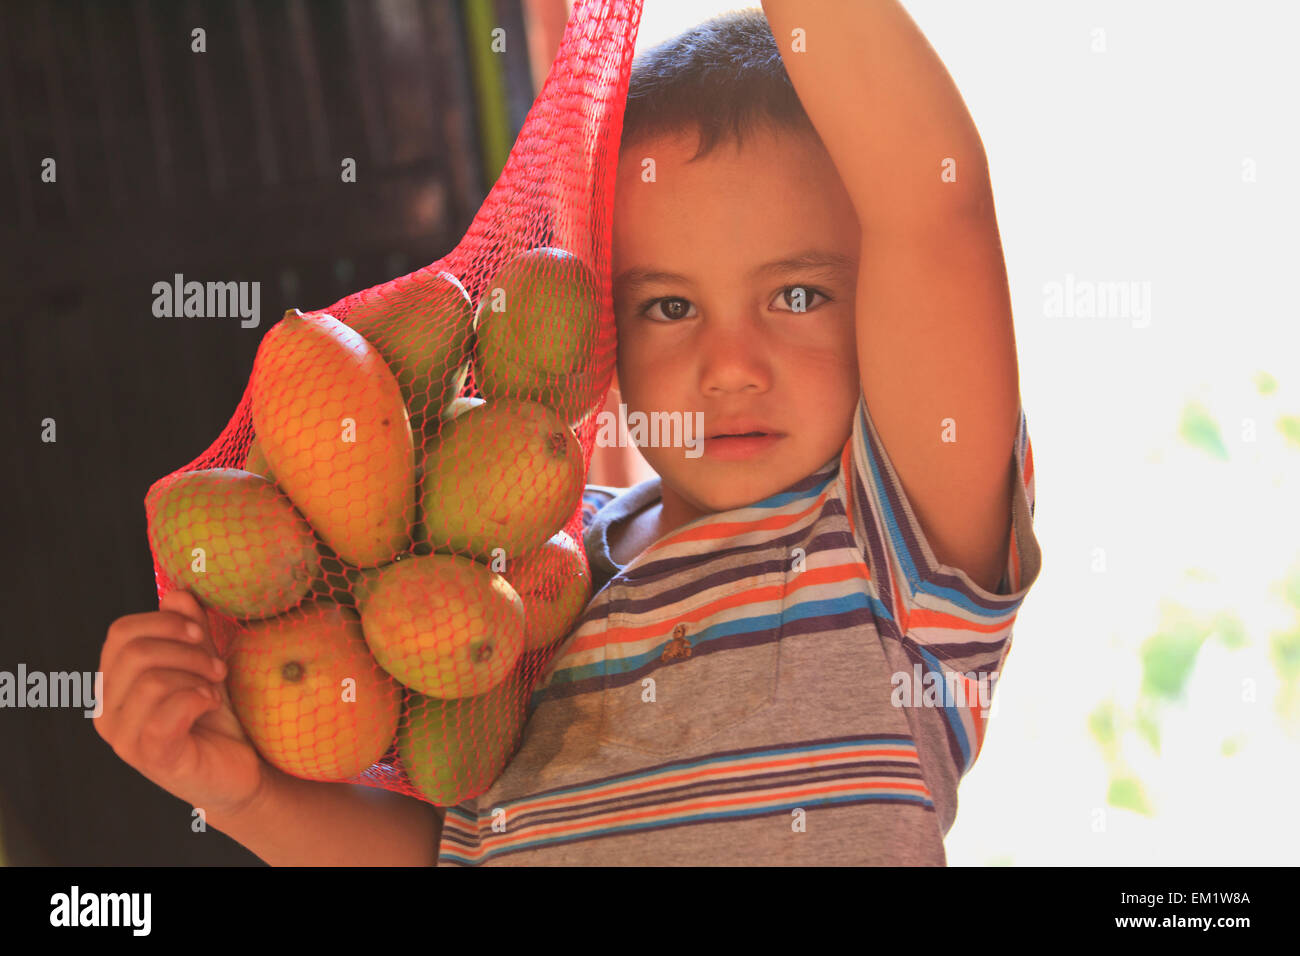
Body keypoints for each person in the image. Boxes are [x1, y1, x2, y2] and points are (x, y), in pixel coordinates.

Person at [95, 1, 1042, 866]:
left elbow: (932, 199)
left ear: (880, 308)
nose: (730, 363)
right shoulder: (523, 568)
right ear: (604, 337)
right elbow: (443, 852)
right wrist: (244, 796)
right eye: (669, 305)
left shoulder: (892, 545)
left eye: (796, 295)